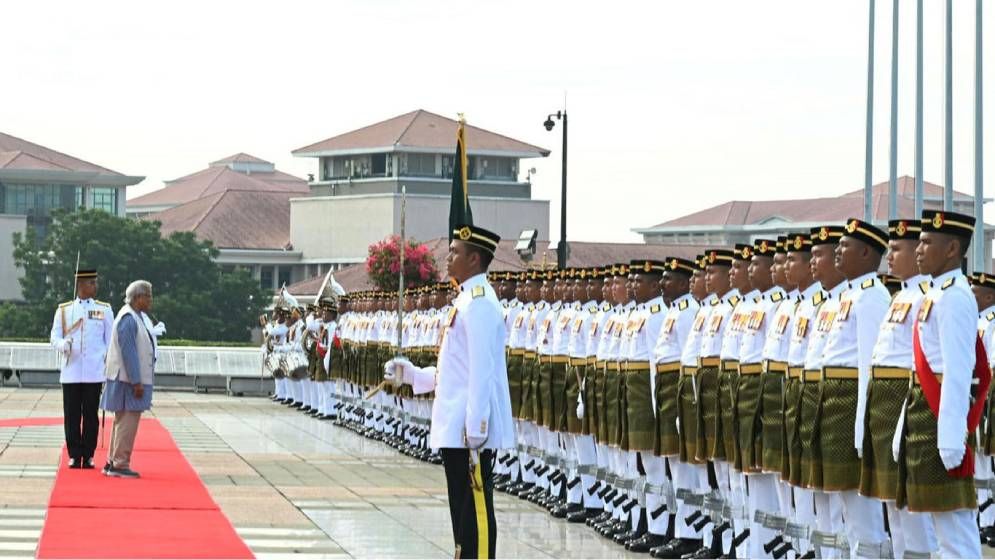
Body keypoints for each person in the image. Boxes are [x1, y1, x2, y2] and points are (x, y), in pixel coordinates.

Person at [384, 224, 514, 559]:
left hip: (467, 430)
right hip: (456, 426)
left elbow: (482, 370)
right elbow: (456, 373)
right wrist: (413, 375)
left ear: (474, 259)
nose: (448, 257)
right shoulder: (466, 299)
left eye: (455, 252)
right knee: (462, 510)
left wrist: (477, 427)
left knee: (475, 511)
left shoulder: (480, 302)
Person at [897, 210, 984, 558]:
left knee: (954, 530)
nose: (918, 249)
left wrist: (950, 438)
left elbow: (958, 371)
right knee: (940, 524)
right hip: (925, 416)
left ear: (951, 249)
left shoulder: (955, 297)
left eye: (926, 242)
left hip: (941, 421)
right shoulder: (935, 294)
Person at [50, 268, 114, 469]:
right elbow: (54, 337)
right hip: (71, 370)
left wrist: (107, 363)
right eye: (91, 283)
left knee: (90, 416)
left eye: (95, 282)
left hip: (94, 372)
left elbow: (111, 341)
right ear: (80, 285)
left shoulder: (104, 309)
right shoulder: (64, 310)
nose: (95, 286)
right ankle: (74, 454)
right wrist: (63, 344)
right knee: (71, 415)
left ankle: (88, 455)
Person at [101, 280, 157, 478]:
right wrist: (136, 381)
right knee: (127, 422)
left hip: (126, 379)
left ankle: (113, 461)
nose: (150, 300)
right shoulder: (129, 319)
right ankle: (120, 463)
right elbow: (129, 353)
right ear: (137, 297)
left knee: (122, 421)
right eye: (148, 296)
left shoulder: (134, 316)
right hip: (128, 380)